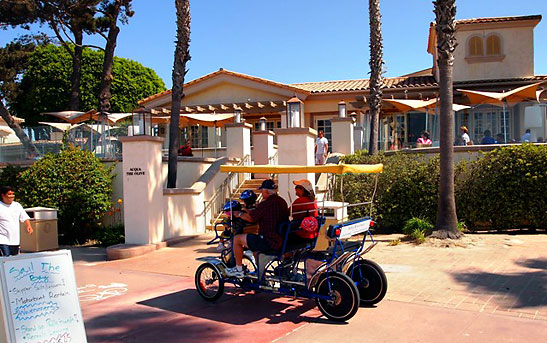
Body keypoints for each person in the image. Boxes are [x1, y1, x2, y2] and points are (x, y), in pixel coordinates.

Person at [226, 179, 289, 278]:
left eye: (262, 191)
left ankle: (238, 269)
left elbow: (251, 218)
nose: (261, 193)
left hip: (268, 241)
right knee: (254, 244)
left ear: (266, 191)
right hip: (279, 239)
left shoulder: (266, 204)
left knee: (237, 239)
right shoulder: (282, 201)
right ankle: (260, 274)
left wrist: (239, 214)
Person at [0, 186, 33, 256]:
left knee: (14, 260)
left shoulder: (17, 205)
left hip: (15, 240)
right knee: (6, 259)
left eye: (13, 194)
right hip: (3, 240)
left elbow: (24, 216)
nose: (12, 196)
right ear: (3, 195)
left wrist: (29, 226)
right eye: (9, 194)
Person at [289, 179, 319, 244]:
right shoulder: (313, 201)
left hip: (301, 234)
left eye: (296, 187)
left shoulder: (300, 201)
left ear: (302, 189)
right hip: (312, 234)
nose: (295, 189)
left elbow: (287, 212)